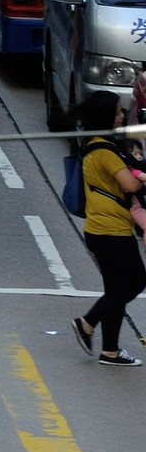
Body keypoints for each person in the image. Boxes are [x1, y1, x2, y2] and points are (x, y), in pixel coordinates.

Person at [72, 92, 146, 365]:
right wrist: (139, 178)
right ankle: (110, 351)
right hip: (109, 232)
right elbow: (130, 185)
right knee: (121, 289)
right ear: (105, 116)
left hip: (108, 230)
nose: (122, 115)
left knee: (133, 282)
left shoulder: (102, 145)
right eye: (117, 111)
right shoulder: (103, 150)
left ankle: (88, 323)